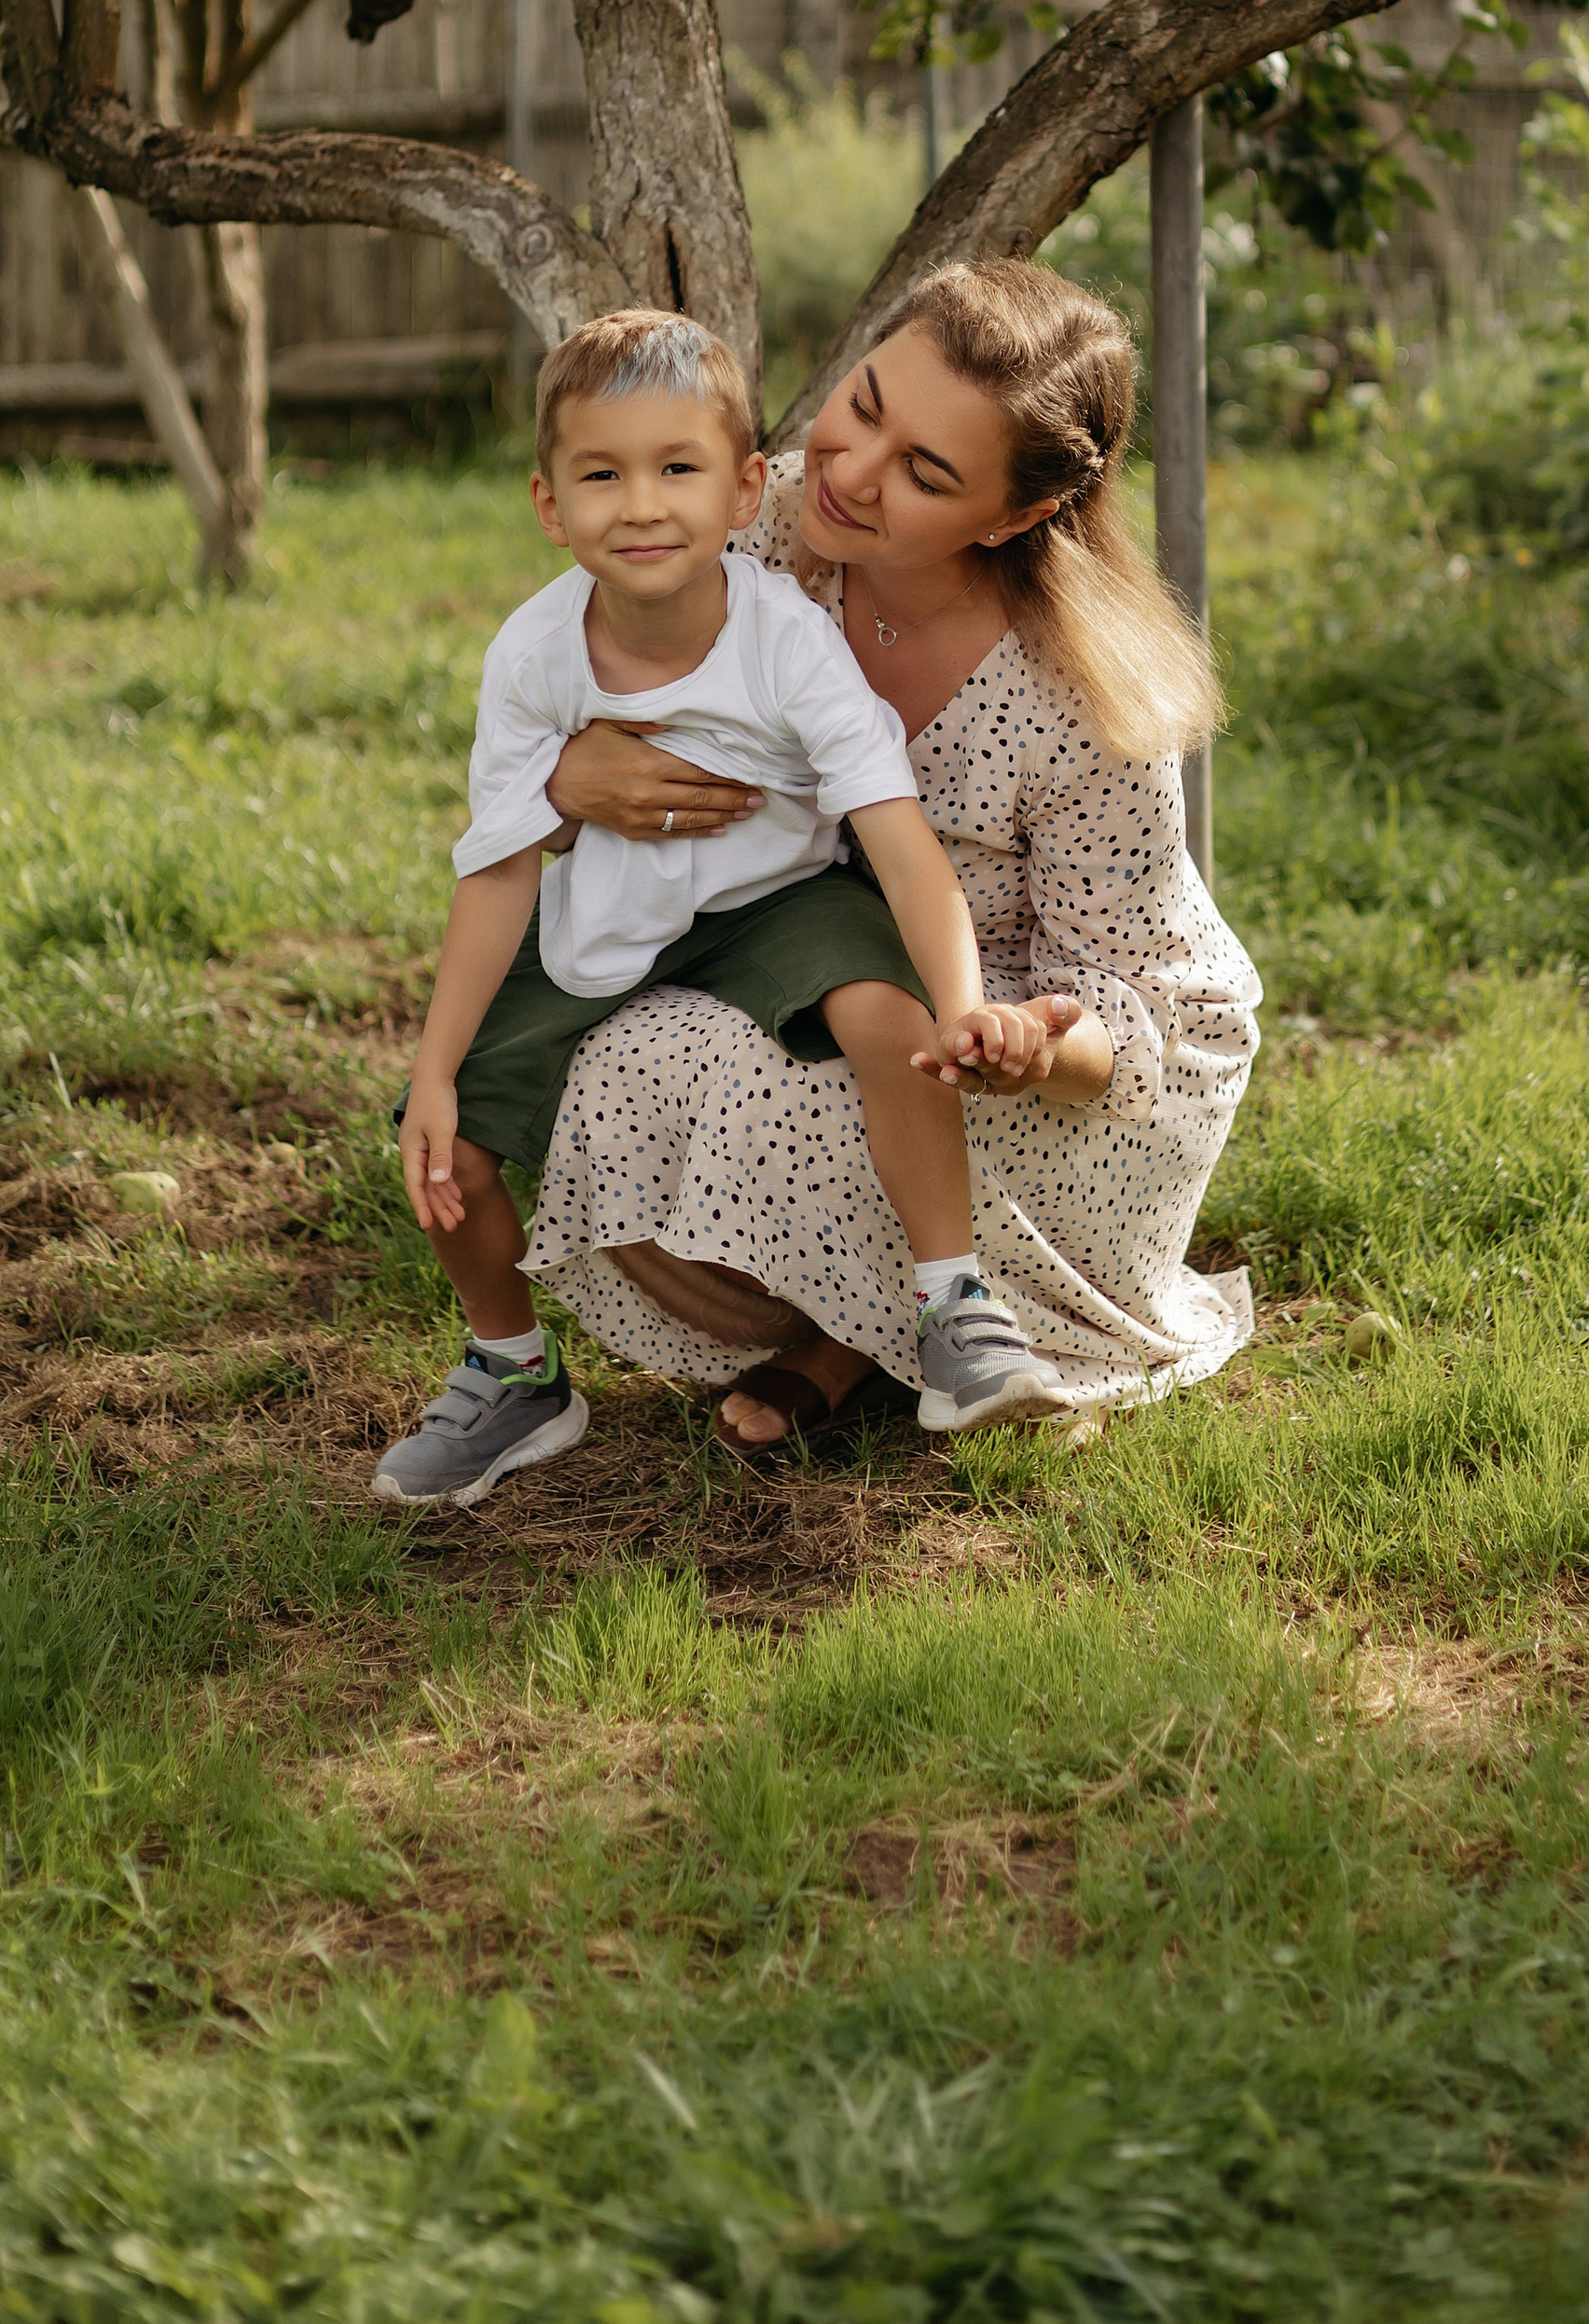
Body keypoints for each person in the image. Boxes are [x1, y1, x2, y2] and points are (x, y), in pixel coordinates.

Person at [517, 259, 1262, 1458]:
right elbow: (554, 692)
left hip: (1053, 1055)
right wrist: (568, 777)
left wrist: (1022, 1045)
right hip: (789, 955)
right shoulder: (753, 524)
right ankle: (856, 1323)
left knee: (813, 1072)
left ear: (1016, 515)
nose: (852, 475)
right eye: (863, 406)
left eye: (925, 472)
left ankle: (891, 1336)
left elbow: (1134, 1017)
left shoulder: (1083, 697)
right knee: (606, 1056)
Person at [372, 308, 1072, 1512]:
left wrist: (963, 1008)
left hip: (777, 899)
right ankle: (513, 1369)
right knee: (446, 1147)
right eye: (603, 474)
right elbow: (499, 872)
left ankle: (956, 1308)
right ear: (550, 504)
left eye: (678, 469)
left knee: (881, 1005)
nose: (641, 505)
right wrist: (435, 1068)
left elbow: (902, 849)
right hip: (604, 917)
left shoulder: (785, 641)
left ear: (746, 490)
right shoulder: (535, 654)